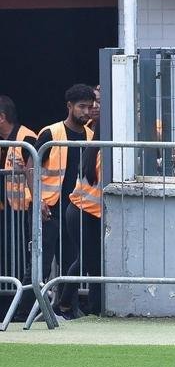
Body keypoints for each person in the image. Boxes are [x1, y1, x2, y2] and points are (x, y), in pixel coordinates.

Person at [36, 84, 94, 311]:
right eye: (82, 107)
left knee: (71, 259)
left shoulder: (91, 136)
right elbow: (34, 165)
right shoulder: (51, 132)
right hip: (50, 206)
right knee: (41, 260)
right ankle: (30, 308)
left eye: (90, 107)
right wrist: (38, 199)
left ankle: (65, 305)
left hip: (77, 207)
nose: (86, 112)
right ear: (69, 106)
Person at [55, 95, 106, 318]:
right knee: (86, 260)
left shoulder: (96, 147)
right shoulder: (102, 152)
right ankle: (63, 304)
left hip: (86, 212)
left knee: (93, 262)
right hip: (82, 211)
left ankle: (94, 308)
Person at [0, 96, 37, 319]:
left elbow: (35, 174)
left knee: (23, 261)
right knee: (9, 261)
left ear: (2, 117)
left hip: (25, 212)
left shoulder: (26, 139)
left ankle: (22, 307)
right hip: (8, 212)